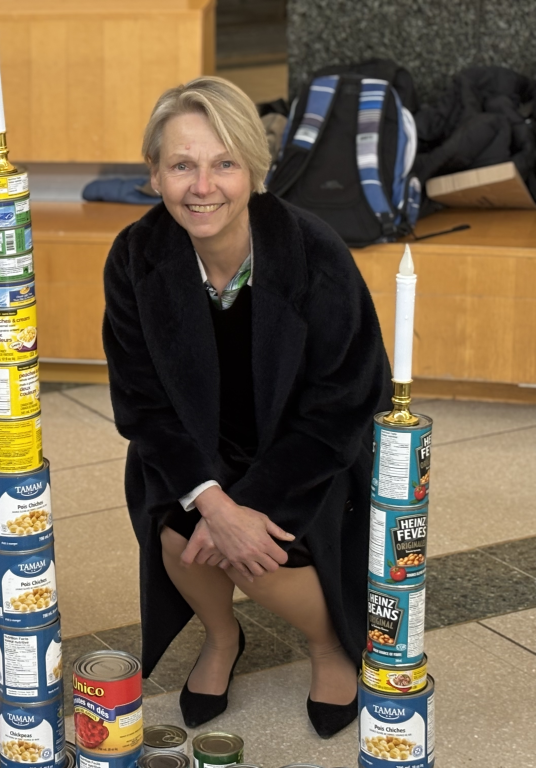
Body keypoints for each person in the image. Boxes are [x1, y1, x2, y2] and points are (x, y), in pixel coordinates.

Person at [102, 77, 391, 738]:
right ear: (154, 174)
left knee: (252, 552)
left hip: (310, 449)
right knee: (178, 525)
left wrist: (249, 508)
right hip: (199, 449)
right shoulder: (135, 257)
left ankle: (330, 646)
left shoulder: (315, 254)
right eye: (182, 165)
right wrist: (213, 501)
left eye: (224, 163)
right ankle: (222, 634)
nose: (204, 186)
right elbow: (143, 405)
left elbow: (341, 406)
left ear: (254, 172)